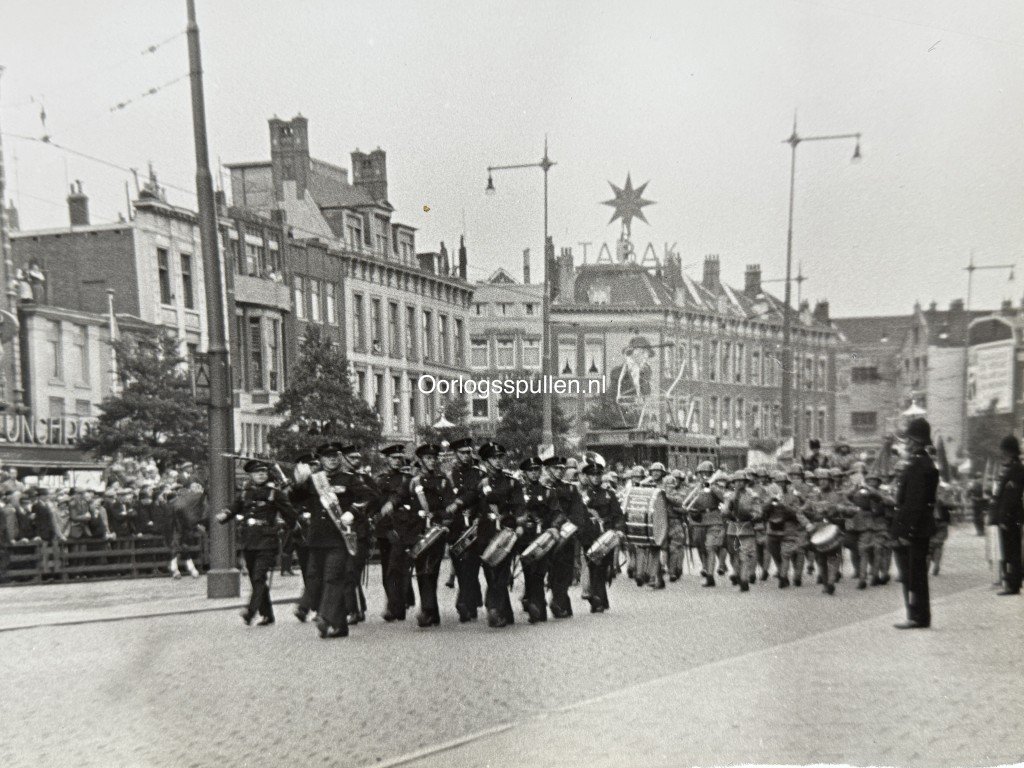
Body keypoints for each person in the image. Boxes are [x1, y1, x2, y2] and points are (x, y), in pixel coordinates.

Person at [217, 460, 295, 626]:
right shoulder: (246, 492)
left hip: (267, 540)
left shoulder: (274, 493)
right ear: (251, 475)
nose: (261, 475)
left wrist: (285, 527)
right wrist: (225, 514)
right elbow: (235, 506)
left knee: (259, 576)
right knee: (255, 578)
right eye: (257, 473)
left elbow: (290, 514)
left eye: (264, 472)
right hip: (249, 541)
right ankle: (268, 614)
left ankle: (250, 611)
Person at [891, 418, 939, 628]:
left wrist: (905, 531)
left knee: (913, 574)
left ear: (916, 441)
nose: (906, 443)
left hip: (914, 529)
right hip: (918, 527)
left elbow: (915, 502)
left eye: (908, 439)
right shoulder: (922, 462)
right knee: (915, 573)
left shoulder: (918, 465)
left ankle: (916, 616)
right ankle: (919, 615)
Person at [475, 442, 522, 628]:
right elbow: (471, 502)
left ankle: (493, 608)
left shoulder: (512, 482)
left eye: (500, 457)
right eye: (495, 458)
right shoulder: (481, 484)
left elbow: (519, 506)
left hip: (506, 533)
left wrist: (519, 524)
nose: (499, 461)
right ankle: (505, 612)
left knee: (502, 573)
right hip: (485, 533)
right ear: (486, 462)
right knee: (490, 573)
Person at [410, 443, 452, 627]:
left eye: (434, 458)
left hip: (436, 530)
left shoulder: (443, 481)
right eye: (428, 458)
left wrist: (439, 516)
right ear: (421, 460)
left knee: (432, 569)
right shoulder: (414, 482)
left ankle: (429, 610)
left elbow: (449, 506)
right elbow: (406, 503)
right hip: (419, 531)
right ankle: (429, 610)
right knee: (421, 569)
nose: (432, 461)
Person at [445, 437, 484, 622]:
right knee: (460, 565)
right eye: (463, 453)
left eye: (469, 452)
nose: (467, 456)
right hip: (456, 525)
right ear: (456, 454)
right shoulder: (449, 475)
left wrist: (477, 516)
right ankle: (472, 600)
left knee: (472, 565)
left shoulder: (478, 474)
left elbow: (480, 495)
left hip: (474, 524)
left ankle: (464, 602)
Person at [375, 444, 416, 614]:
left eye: (399, 458)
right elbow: (375, 500)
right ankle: (397, 601)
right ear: (387, 459)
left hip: (402, 529)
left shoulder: (408, 479)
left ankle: (395, 605)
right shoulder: (380, 479)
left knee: (398, 566)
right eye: (393, 458)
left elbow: (405, 497)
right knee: (387, 567)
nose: (397, 461)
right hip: (384, 529)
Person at [579, 462, 625, 612]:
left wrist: (619, 529)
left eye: (598, 475)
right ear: (587, 477)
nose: (596, 478)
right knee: (594, 567)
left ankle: (600, 600)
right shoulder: (582, 495)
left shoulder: (609, 494)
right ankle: (597, 601)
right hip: (589, 534)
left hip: (606, 534)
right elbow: (578, 516)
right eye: (593, 475)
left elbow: (618, 515)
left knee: (605, 567)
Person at [991, 434, 1024, 596]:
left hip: (1010, 518)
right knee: (1009, 551)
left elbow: (1011, 497)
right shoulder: (1011, 468)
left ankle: (1012, 584)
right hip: (1008, 517)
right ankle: (1010, 581)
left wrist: (1004, 517)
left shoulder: (1016, 469)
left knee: (1012, 552)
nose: (1002, 455)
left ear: (1010, 452)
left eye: (1004, 451)